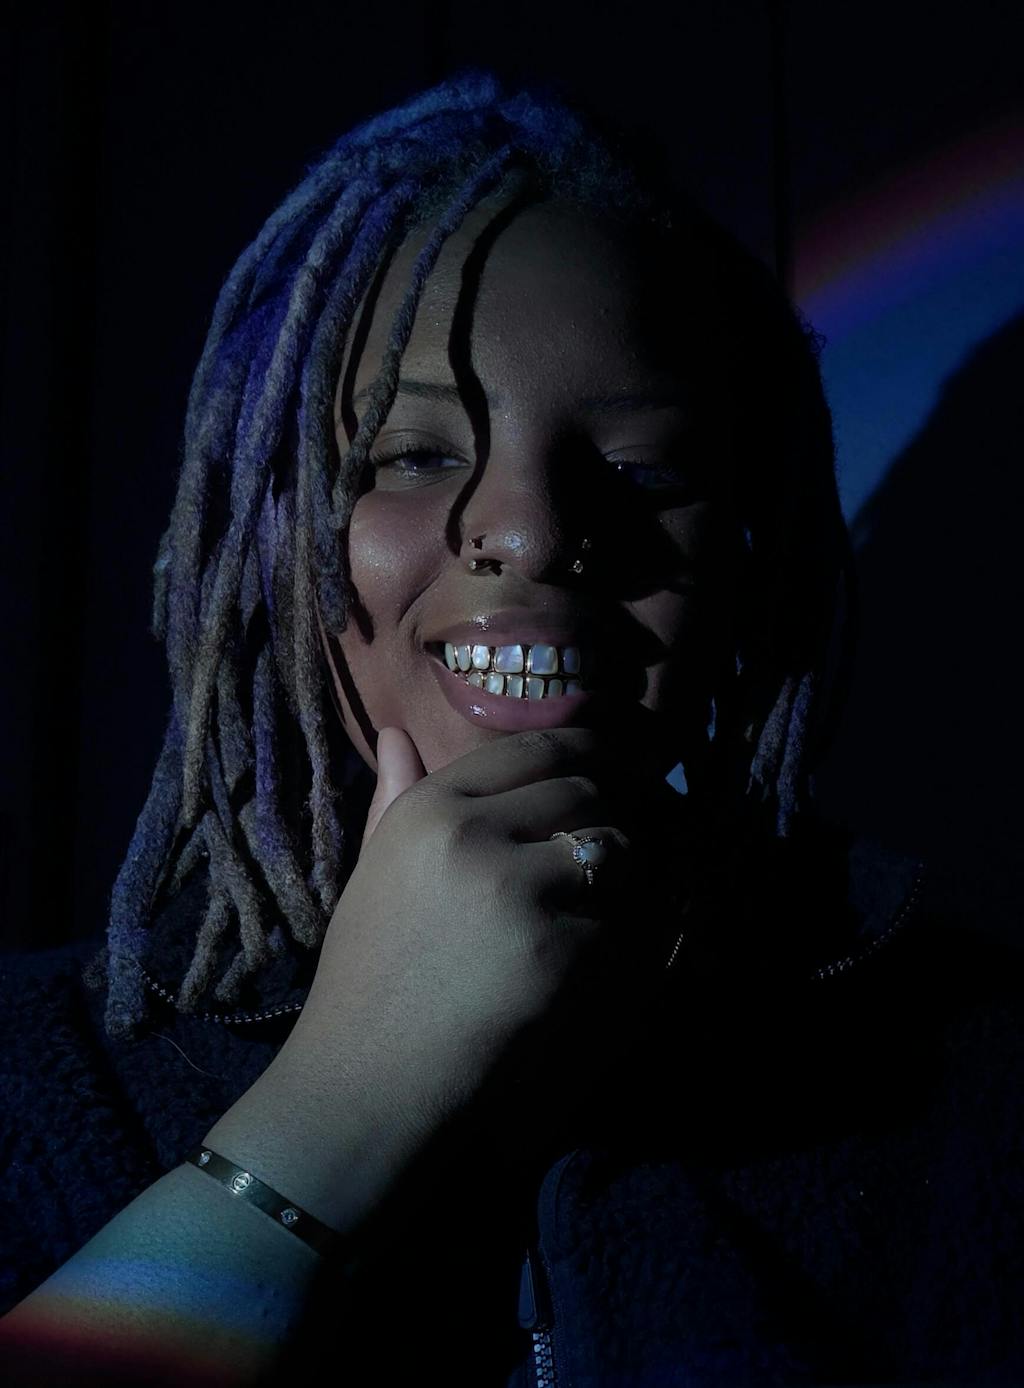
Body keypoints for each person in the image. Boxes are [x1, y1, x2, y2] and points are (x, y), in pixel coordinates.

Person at [1, 70, 1021, 1387]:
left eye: (644, 470)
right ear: (266, 529)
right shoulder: (37, 1073)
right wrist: (342, 1099)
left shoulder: (977, 1077)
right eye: (412, 456)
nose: (532, 534)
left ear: (755, 553)